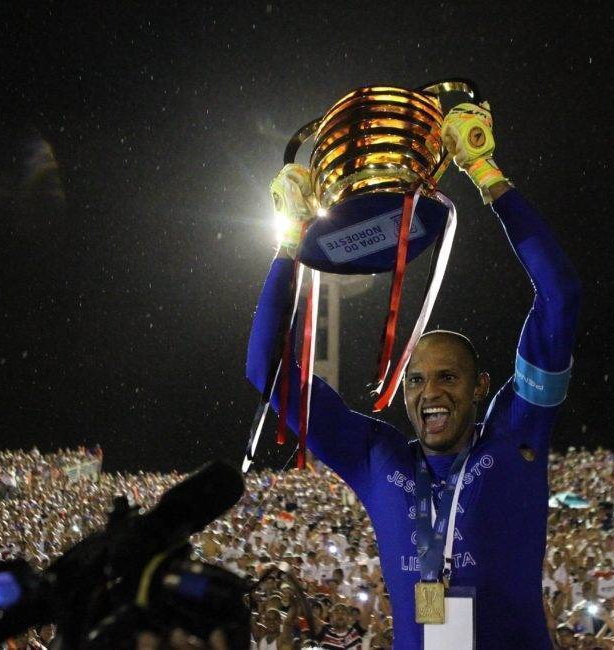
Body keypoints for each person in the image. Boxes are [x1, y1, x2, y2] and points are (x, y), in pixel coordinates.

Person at [247, 100, 580, 648]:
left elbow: (560, 296)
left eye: (448, 377)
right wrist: (290, 240)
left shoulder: (516, 433)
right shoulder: (378, 459)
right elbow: (264, 367)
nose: (431, 394)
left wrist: (487, 175)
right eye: (416, 380)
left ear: (480, 386)